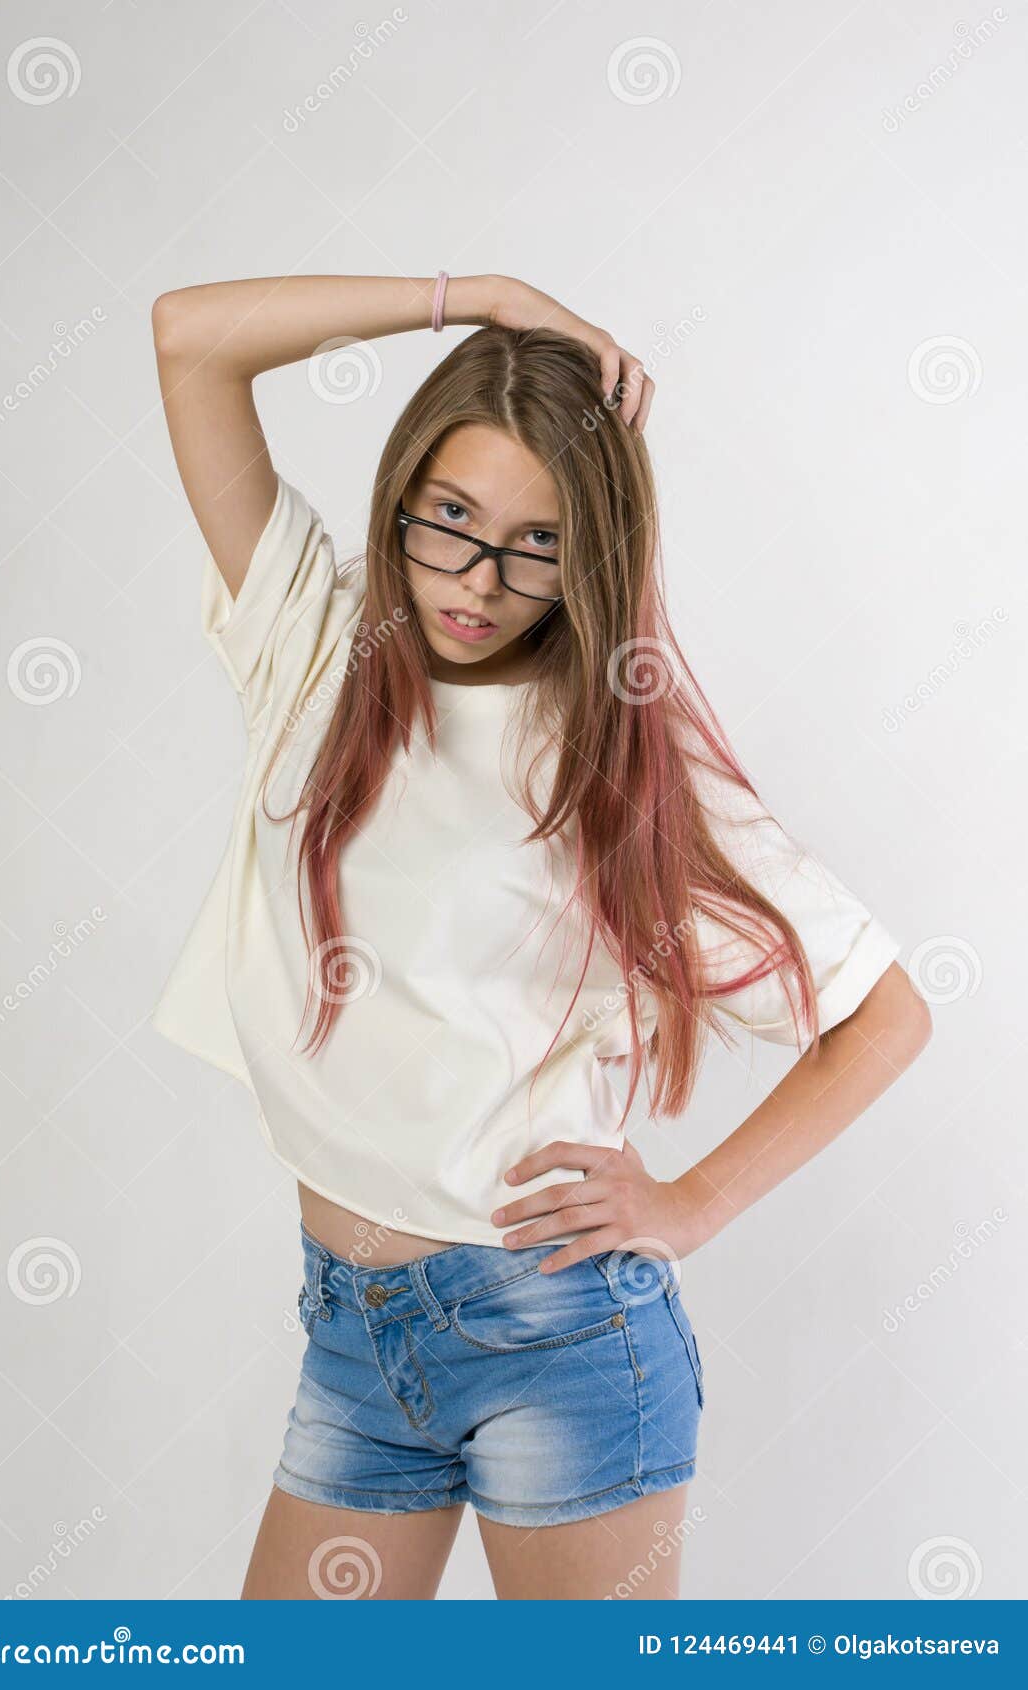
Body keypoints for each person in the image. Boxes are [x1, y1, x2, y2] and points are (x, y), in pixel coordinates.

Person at [149, 271, 931, 1600]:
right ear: (404, 493)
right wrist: (480, 296)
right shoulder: (313, 638)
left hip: (557, 1338)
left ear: (590, 558)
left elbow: (887, 1011)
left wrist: (691, 1203)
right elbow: (188, 340)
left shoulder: (614, 753)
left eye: (537, 542)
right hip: (349, 1334)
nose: (477, 577)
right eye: (450, 518)